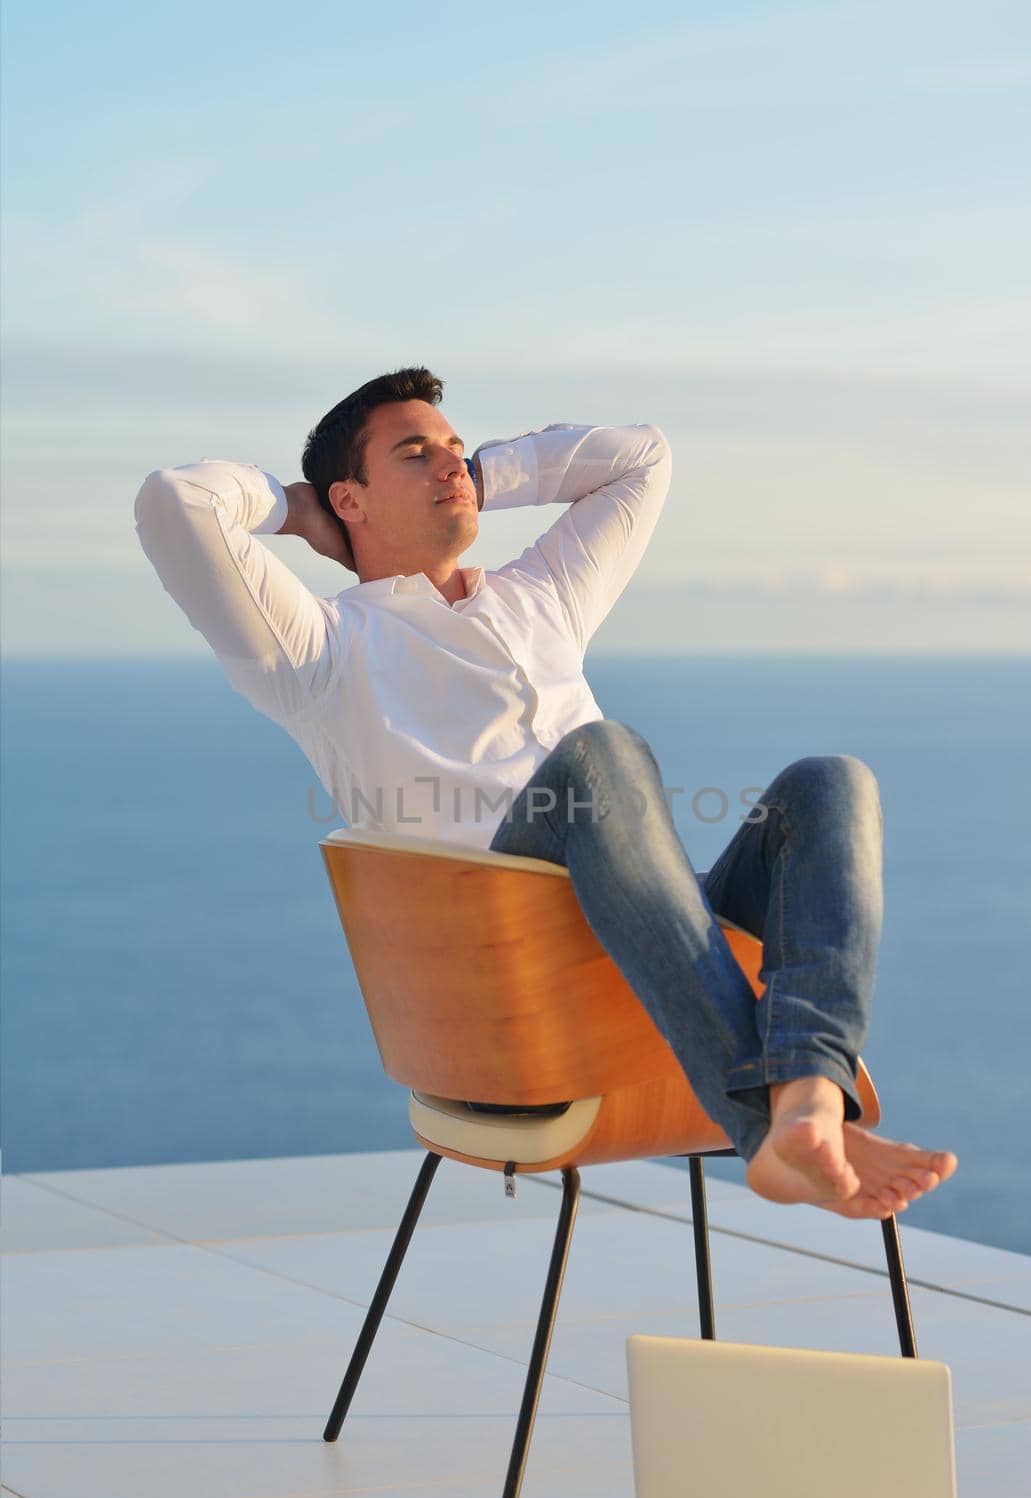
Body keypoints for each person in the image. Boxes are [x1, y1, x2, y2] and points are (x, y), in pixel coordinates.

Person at [135, 365, 957, 1222]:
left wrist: (485, 475)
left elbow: (643, 458)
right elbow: (175, 501)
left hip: (654, 947)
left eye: (455, 450)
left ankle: (807, 1104)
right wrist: (292, 507)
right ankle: (763, 1123)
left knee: (831, 786)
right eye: (416, 455)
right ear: (352, 500)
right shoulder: (320, 651)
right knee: (597, 760)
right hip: (519, 999)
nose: (451, 466)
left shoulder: (539, 596)